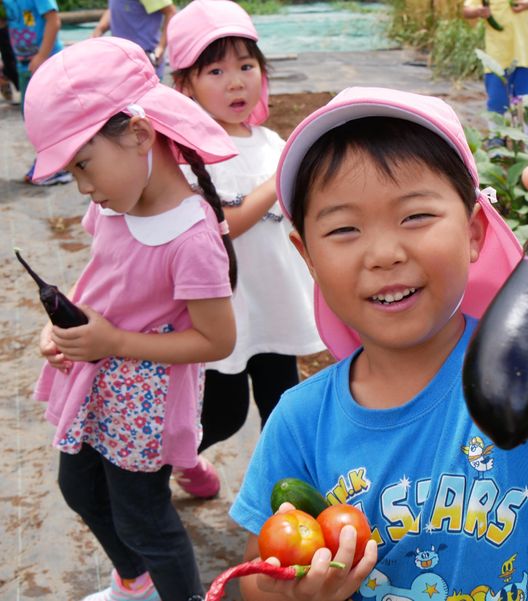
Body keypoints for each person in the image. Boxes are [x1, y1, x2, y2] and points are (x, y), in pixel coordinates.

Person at [228, 86, 528, 599]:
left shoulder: (519, 364)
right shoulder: (300, 420)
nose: (384, 253)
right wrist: (289, 593)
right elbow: (257, 572)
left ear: (474, 232)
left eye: (415, 216)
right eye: (344, 228)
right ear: (307, 257)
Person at [25, 36, 239, 601]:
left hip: (143, 406)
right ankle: (134, 581)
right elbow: (99, 276)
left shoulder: (191, 238)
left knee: (144, 520)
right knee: (78, 488)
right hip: (95, 384)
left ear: (140, 134)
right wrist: (60, 323)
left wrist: (115, 340)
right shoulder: (115, 204)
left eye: (83, 164)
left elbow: (217, 340)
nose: (83, 186)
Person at [166, 0, 324, 499]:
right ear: (186, 85)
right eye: (215, 71)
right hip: (226, 315)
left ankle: (289, 506)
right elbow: (220, 227)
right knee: (224, 412)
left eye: (246, 66)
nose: (236, 82)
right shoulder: (186, 154)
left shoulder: (271, 141)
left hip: (275, 304)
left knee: (283, 409)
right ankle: (164, 463)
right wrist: (277, 181)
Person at [2, 0, 71, 184]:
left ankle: (58, 166)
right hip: (24, 64)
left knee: (48, 116)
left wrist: (41, 56)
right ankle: (50, 160)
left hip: (46, 62)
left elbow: (53, 21)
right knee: (30, 115)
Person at [462, 0, 528, 124]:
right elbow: (466, 11)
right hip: (497, 56)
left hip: (526, 54)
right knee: (496, 104)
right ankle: (496, 134)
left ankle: (524, 134)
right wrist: (478, 11)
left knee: (526, 106)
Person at [91, 0, 176, 80]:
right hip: (121, 63)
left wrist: (161, 47)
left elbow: (170, 12)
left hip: (145, 64)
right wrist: (98, 31)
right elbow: (114, 8)